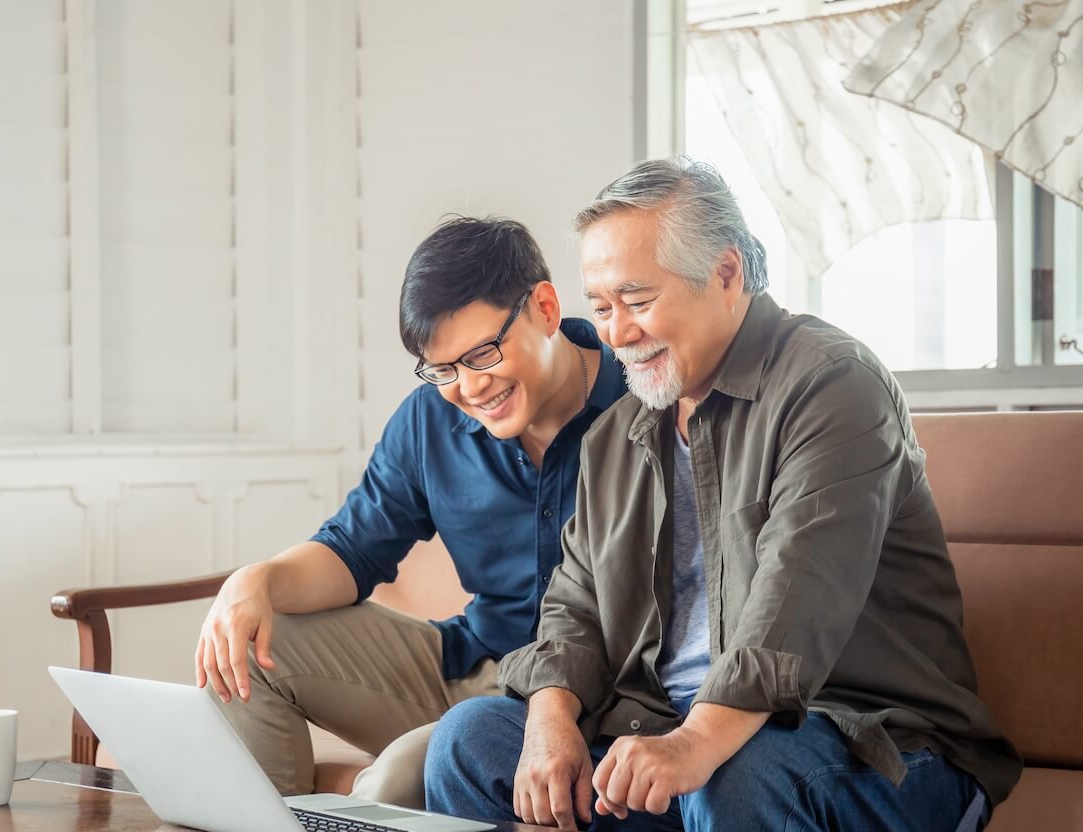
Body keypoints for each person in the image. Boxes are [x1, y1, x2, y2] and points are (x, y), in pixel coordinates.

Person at [425, 157, 1021, 831]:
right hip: (675, 736)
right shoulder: (615, 434)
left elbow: (797, 599)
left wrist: (692, 746)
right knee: (470, 741)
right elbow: (576, 604)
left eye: (639, 301)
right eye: (601, 308)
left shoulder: (832, 385)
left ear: (727, 274)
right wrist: (550, 713)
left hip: (867, 740)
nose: (617, 332)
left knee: (737, 775)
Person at [193, 216, 627, 808]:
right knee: (246, 641)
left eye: (482, 354)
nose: (470, 389)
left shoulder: (646, 400)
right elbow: (351, 552)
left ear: (545, 308)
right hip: (473, 665)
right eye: (443, 370)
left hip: (596, 697)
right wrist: (256, 581)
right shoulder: (430, 422)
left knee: (391, 782)